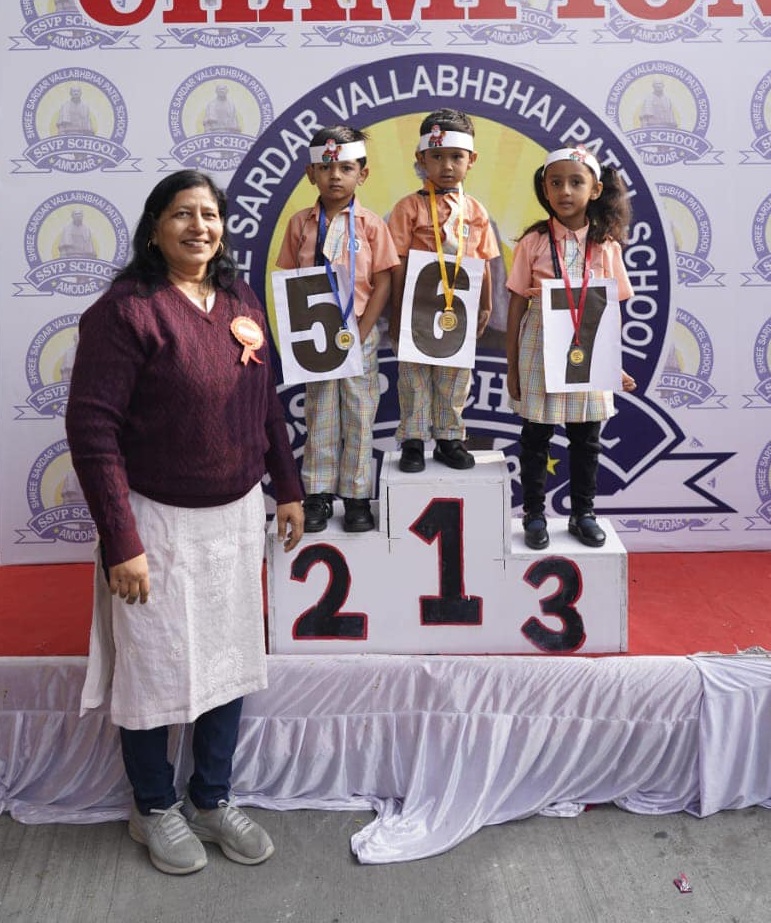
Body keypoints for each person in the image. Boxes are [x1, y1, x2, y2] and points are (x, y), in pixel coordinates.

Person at [66, 170, 304, 877]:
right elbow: (93, 430)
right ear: (153, 229)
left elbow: (265, 405)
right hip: (155, 526)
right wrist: (122, 540)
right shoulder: (124, 312)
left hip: (236, 518)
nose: (199, 226)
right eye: (181, 214)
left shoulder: (239, 299)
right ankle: (152, 808)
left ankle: (211, 798)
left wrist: (287, 487)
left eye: (209, 215)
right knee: (152, 666)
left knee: (228, 661)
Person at [505, 145, 636, 550]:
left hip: (590, 346)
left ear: (595, 190)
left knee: (586, 437)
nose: (565, 191)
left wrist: (615, 363)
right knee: (535, 435)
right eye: (555, 182)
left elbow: (612, 309)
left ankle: (583, 513)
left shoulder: (607, 245)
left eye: (576, 182)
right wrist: (512, 367)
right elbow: (516, 306)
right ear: (544, 188)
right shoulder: (534, 241)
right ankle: (533, 514)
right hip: (540, 343)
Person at [276, 126, 399, 533]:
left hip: (359, 334)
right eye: (326, 168)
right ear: (310, 173)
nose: (335, 176)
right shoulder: (300, 224)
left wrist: (363, 329)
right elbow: (290, 281)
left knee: (360, 414)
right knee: (321, 413)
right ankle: (317, 493)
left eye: (346, 168)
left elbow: (383, 280)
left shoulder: (371, 225)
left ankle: (357, 496)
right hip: (317, 338)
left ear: (362, 174)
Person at [388, 109, 499, 473]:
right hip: (416, 309)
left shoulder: (476, 211)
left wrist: (485, 306)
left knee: (455, 377)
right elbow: (397, 263)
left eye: (456, 157)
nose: (447, 166)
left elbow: (484, 262)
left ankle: (450, 438)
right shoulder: (408, 208)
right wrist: (396, 312)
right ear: (421, 159)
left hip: (459, 310)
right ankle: (414, 440)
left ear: (472, 160)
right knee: (414, 377)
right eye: (436, 156)